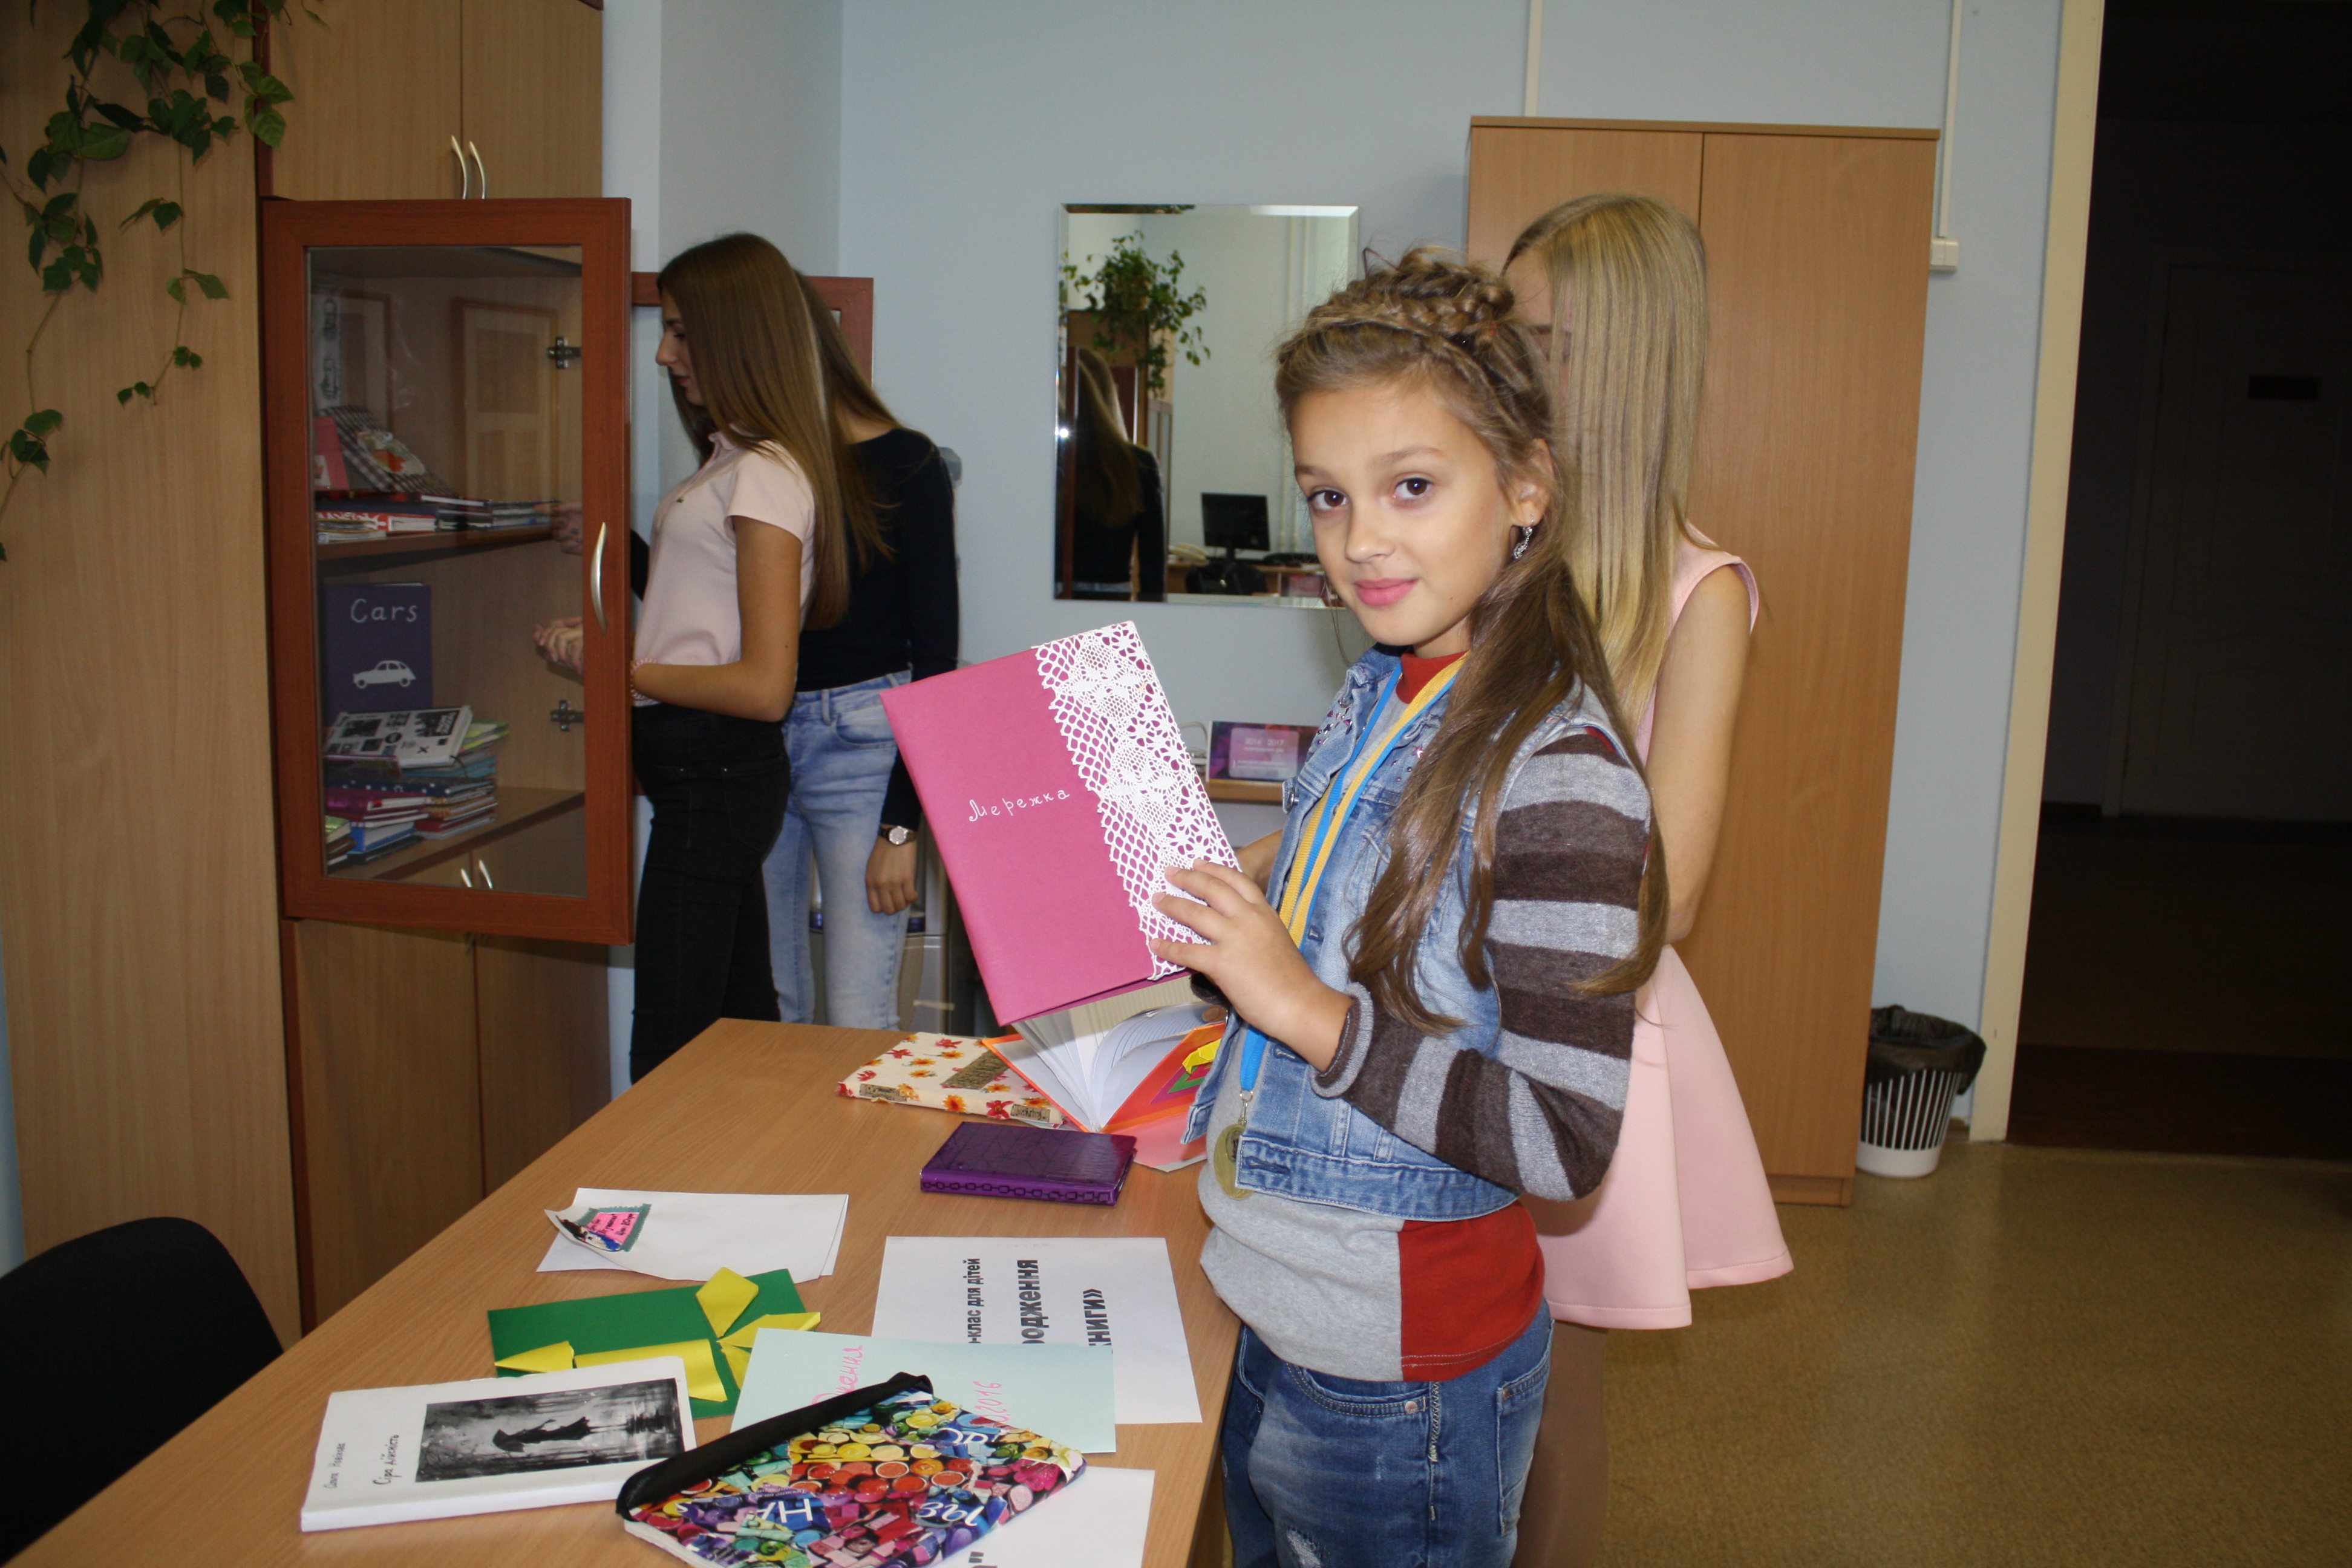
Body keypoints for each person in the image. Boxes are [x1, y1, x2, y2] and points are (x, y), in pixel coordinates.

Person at [1151, 249, 1664, 1568]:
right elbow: (1337, 937)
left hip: (1400, 1373)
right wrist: (1224, 938)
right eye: (1328, 495)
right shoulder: (1382, 688)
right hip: (1275, 1301)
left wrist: (1305, 1009)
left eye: (1412, 487)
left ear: (1526, 488)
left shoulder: (1563, 778)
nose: (1360, 540)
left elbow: (1562, 1139)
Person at [1500, 192, 1794, 1566]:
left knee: (1551, 1405)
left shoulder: (1697, 592)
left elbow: (1670, 887)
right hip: (1441, 1014)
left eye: (1542, 341)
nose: (1508, 367)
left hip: (1571, 1028)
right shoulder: (1491, 546)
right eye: (1505, 334)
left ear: (1621, 364)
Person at [537, 232, 841, 1081]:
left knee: (669, 1048)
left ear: (734, 333)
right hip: (708, 780)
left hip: (717, 781)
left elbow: (765, 686)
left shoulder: (763, 475)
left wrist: (621, 670)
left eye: (679, 331)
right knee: (736, 1035)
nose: (665, 355)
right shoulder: (733, 463)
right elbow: (703, 620)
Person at [759, 271, 959, 1028]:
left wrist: (901, 829)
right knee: (768, 1008)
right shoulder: (765, 466)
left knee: (856, 1017)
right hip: (761, 741)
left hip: (865, 750)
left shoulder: (909, 462)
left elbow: (937, 654)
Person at [1065, 346, 1166, 601]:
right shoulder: (1138, 463)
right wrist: (1153, 610)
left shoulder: (1054, 460)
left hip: (1054, 592)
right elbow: (1152, 557)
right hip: (1113, 594)